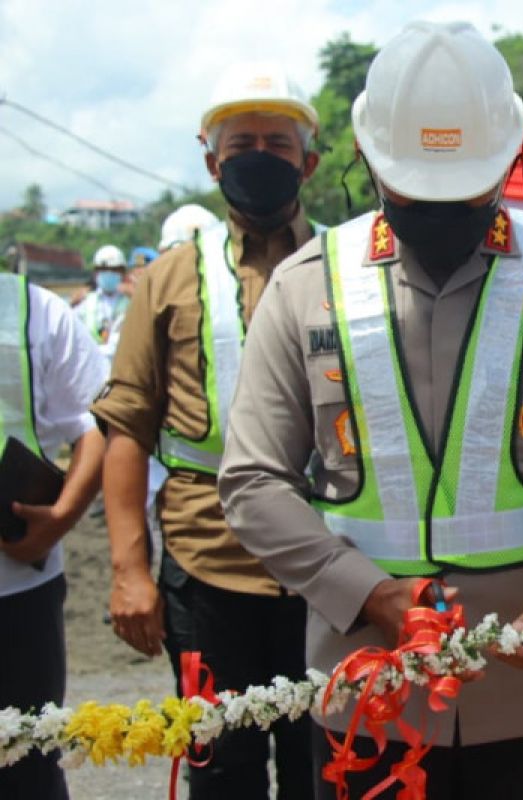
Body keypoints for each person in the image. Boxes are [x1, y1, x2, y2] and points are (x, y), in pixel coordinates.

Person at [216, 22, 523, 800]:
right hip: (372, 693)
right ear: (366, 161)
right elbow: (253, 481)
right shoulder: (303, 289)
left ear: (509, 164)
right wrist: (365, 591)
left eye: (465, 194)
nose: (439, 214)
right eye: (412, 195)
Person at [91, 60, 322, 799]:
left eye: (277, 145)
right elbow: (126, 427)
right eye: (242, 142)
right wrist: (130, 570)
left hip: (332, 569)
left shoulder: (348, 271)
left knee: (327, 766)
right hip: (208, 564)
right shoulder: (167, 280)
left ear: (308, 163)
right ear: (211, 162)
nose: (259, 158)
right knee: (222, 772)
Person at [0, 270, 108, 798]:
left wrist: (63, 515)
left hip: (17, 590)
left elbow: (95, 422)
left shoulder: (37, 313)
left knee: (27, 762)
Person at [75, 244, 131, 364]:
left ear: (122, 272)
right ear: (96, 272)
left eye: (114, 269)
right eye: (104, 269)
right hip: (91, 367)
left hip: (119, 368)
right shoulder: (85, 303)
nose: (109, 273)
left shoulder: (130, 304)